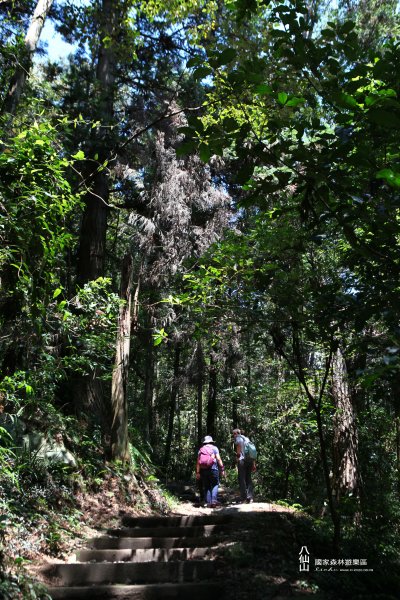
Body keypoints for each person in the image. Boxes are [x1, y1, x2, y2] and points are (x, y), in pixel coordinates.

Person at [196, 435, 225, 508]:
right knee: (215, 484)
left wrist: (198, 472)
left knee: (207, 486)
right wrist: (222, 468)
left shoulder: (201, 449)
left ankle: (208, 503)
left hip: (203, 470)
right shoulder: (214, 448)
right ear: (211, 442)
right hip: (213, 469)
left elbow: (198, 462)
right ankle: (214, 501)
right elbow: (218, 459)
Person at [232, 428, 256, 503]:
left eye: (234, 434)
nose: (233, 435)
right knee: (248, 478)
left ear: (236, 433)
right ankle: (250, 496)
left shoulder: (238, 438)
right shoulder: (247, 438)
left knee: (241, 478)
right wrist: (254, 464)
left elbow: (238, 449)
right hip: (250, 460)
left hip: (242, 460)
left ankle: (243, 497)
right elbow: (252, 452)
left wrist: (237, 458)